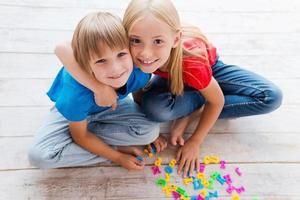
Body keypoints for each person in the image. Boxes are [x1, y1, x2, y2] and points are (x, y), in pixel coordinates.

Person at [55, 0, 283, 177]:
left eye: (157, 41)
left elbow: (218, 100)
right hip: (176, 78)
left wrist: (194, 141)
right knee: (155, 110)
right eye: (135, 41)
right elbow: (62, 47)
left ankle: (194, 108)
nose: (144, 54)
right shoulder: (124, 54)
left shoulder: (190, 62)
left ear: (175, 39)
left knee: (271, 97)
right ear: (125, 37)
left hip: (207, 70)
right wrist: (98, 87)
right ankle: (196, 100)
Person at [28, 12, 160, 170]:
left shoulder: (139, 71)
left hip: (112, 106)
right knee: (40, 156)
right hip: (73, 116)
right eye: (101, 60)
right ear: (84, 63)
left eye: (121, 54)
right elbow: (80, 136)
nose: (116, 69)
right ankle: (107, 146)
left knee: (151, 132)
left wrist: (144, 121)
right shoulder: (75, 95)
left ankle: (96, 142)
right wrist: (117, 156)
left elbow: (137, 93)